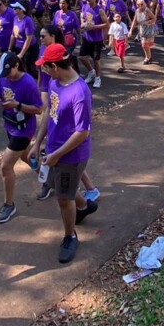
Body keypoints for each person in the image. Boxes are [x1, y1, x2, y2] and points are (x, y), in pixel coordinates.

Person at [35, 43, 97, 264]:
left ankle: (70, 237)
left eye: (45, 66)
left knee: (63, 198)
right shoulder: (55, 82)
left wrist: (57, 155)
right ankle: (84, 205)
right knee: (59, 187)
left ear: (55, 66)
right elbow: (49, 114)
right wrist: (37, 142)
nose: (43, 70)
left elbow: (82, 132)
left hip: (71, 156)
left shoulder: (79, 93)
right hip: (53, 149)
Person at [0, 52, 42, 223]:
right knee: (26, 156)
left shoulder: (28, 82)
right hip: (10, 124)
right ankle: (48, 177)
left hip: (24, 129)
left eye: (9, 72)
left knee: (6, 166)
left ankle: (9, 205)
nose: (6, 76)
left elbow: (39, 109)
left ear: (16, 66)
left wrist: (18, 105)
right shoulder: (2, 78)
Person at [77, 0, 108, 89]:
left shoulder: (100, 10)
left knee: (96, 59)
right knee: (81, 57)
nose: (88, 0)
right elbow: (83, 17)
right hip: (87, 37)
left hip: (97, 39)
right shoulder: (84, 7)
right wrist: (83, 24)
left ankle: (98, 78)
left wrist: (94, 27)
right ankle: (91, 72)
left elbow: (106, 24)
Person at [130, 0, 157, 64]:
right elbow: (134, 21)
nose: (140, 6)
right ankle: (148, 57)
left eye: (142, 4)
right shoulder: (137, 11)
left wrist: (147, 23)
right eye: (138, 4)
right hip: (142, 29)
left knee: (144, 44)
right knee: (144, 44)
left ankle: (148, 58)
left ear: (144, 3)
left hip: (148, 29)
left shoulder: (147, 10)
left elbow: (154, 18)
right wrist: (130, 31)